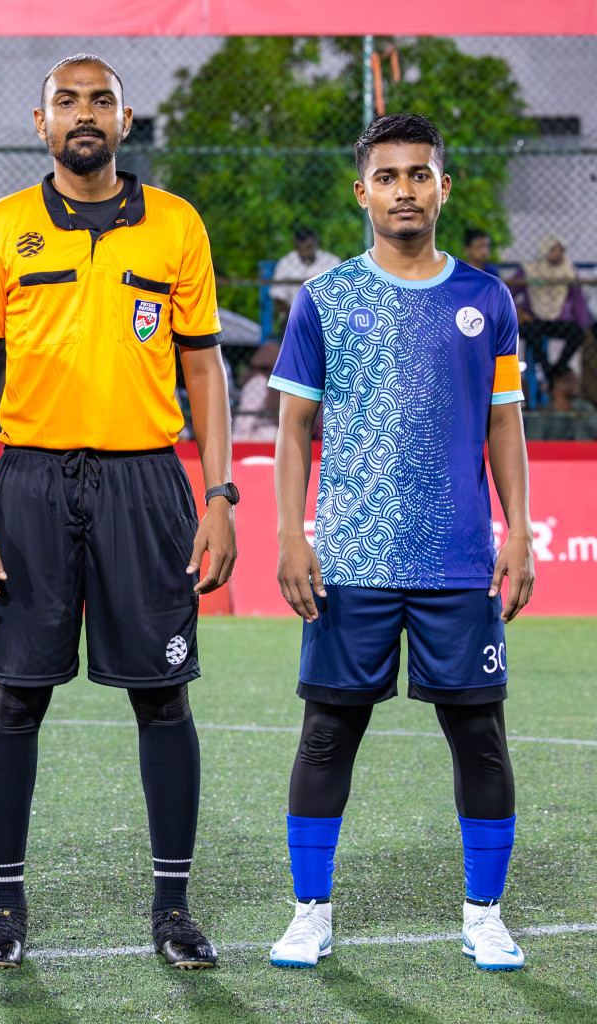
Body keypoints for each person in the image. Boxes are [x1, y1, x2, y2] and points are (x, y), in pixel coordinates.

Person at [0, 53, 235, 971]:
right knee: (16, 698)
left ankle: (174, 908)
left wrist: (220, 495)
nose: (83, 114)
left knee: (162, 697)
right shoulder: (1, 229)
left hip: (147, 480)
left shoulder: (177, 226)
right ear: (40, 125)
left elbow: (203, 371)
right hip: (28, 482)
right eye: (65, 101)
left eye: (99, 100)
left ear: (125, 118)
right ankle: (3, 909)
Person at [266, 113, 535, 972]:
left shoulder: (487, 300)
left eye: (420, 174)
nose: (405, 190)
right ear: (363, 192)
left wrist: (519, 530)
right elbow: (295, 427)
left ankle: (484, 914)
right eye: (388, 176)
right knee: (326, 735)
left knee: (480, 737)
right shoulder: (326, 298)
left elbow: (504, 425)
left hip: (457, 559)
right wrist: (292, 533)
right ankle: (310, 912)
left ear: (443, 187)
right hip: (350, 559)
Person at [513, 235, 592, 393]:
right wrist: (518, 311)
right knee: (531, 332)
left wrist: (585, 325)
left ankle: (558, 368)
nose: (559, 254)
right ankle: (549, 371)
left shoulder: (568, 272)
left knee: (577, 333)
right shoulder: (530, 271)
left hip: (559, 320)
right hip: (535, 318)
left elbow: (578, 301)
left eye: (560, 250)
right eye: (555, 250)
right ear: (546, 251)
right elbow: (508, 292)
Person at [270, 227, 342, 330]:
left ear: (316, 243)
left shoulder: (332, 262)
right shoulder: (286, 263)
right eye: (302, 247)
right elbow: (278, 298)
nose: (306, 250)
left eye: (309, 246)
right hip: (294, 316)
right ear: (296, 245)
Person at [232, 342, 281, 442]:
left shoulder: (277, 383)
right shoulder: (259, 381)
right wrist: (238, 443)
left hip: (274, 435)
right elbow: (246, 415)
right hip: (256, 438)